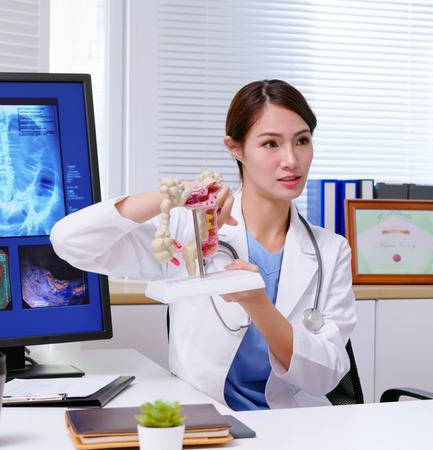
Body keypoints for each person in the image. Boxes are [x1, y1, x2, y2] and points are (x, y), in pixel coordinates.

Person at [50, 80, 357, 410]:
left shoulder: (330, 251)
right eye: (270, 144)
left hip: (294, 424)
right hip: (206, 421)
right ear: (235, 148)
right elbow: (70, 241)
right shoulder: (188, 231)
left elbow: (327, 377)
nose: (291, 160)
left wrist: (259, 305)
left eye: (302, 141)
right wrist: (175, 195)